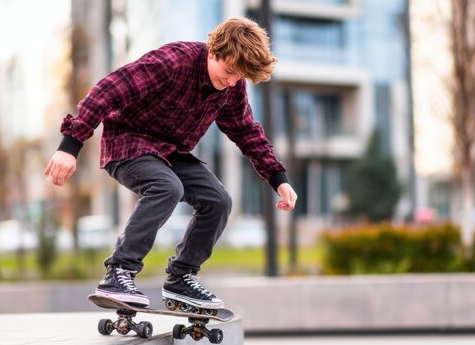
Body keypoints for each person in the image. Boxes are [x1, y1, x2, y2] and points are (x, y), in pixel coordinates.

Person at [44, 17, 297, 309]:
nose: (230, 82)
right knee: (167, 187)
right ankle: (119, 271)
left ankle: (181, 277)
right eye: (228, 71)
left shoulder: (231, 87)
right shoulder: (173, 62)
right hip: (128, 142)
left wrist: (278, 178)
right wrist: (70, 145)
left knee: (218, 200)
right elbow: (107, 90)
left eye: (237, 77)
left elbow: (246, 132)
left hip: (170, 152)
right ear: (213, 51)